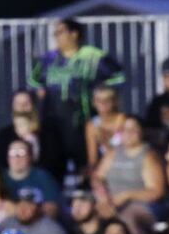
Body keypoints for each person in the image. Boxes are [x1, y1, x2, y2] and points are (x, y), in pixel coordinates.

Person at [28, 18, 125, 174]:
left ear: (74, 34)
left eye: (60, 32)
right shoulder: (47, 59)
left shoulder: (94, 56)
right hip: (53, 122)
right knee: (52, 167)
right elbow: (33, 81)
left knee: (86, 165)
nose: (56, 36)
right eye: (55, 33)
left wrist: (102, 95)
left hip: (83, 120)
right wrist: (39, 93)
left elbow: (118, 77)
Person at [93, 115, 165, 234]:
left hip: (141, 205)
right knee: (89, 213)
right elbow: (97, 177)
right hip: (110, 200)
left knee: (126, 218)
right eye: (125, 130)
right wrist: (102, 195)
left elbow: (156, 192)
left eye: (133, 129)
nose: (129, 134)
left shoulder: (148, 156)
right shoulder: (113, 153)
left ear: (141, 132)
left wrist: (127, 195)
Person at [0, 90, 66, 182]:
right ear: (12, 107)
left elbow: (58, 162)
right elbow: (0, 163)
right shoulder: (4, 134)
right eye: (18, 103)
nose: (22, 107)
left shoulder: (49, 132)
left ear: (34, 106)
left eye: (26, 103)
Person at [83, 84, 128, 170]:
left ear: (114, 101)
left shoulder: (125, 120)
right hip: (105, 170)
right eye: (99, 100)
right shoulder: (91, 125)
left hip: (126, 167)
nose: (103, 103)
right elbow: (92, 160)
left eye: (107, 100)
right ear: (94, 103)